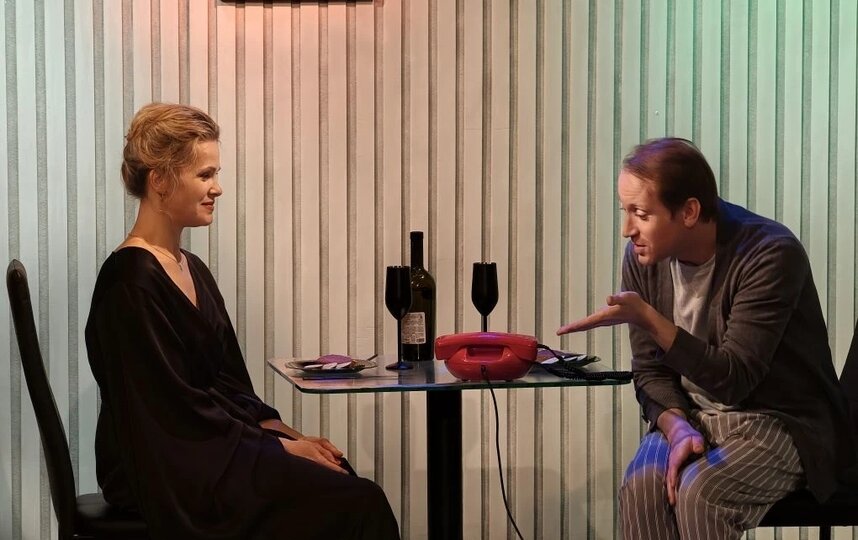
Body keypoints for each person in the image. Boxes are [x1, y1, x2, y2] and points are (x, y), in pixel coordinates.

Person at [85, 102, 400, 539]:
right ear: (159, 180)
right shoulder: (130, 283)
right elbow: (171, 415)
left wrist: (286, 435)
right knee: (358, 502)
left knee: (338, 470)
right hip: (168, 464)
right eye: (204, 175)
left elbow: (229, 385)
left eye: (215, 174)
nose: (217, 188)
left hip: (208, 446)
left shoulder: (191, 267)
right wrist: (278, 450)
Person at [557, 138, 855, 539]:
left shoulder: (769, 253)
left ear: (689, 212)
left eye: (641, 214)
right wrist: (677, 425)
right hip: (692, 413)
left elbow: (734, 379)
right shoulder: (644, 257)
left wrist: (650, 319)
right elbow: (650, 372)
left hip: (780, 420)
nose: (628, 230)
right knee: (642, 487)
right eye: (625, 211)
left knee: (703, 491)